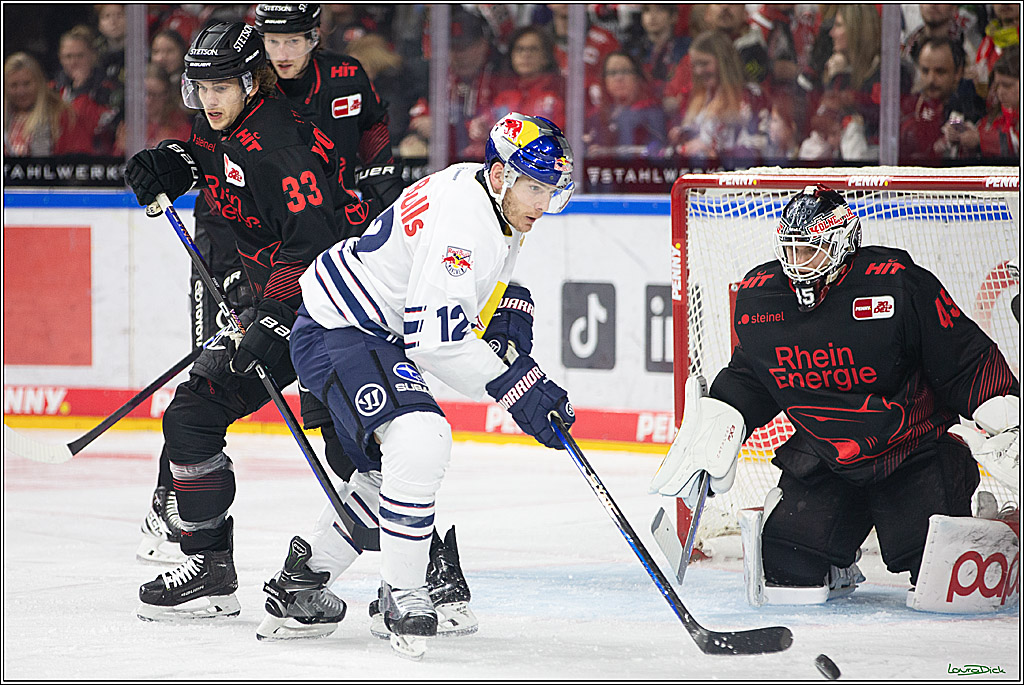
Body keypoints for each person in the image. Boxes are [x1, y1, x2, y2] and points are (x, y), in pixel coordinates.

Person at [271, 112, 576, 657]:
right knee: (420, 437)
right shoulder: (467, 222)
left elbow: (488, 275)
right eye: (533, 186)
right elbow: (433, 341)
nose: (541, 202)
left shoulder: (486, 193)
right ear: (503, 175)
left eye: (551, 189)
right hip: (340, 328)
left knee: (386, 472)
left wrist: (508, 307)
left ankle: (303, 581)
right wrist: (517, 384)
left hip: (362, 330)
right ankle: (404, 592)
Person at [650, 184, 1019, 606]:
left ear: (843, 244)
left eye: (810, 251)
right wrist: (721, 415)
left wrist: (1002, 409)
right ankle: (833, 554)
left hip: (909, 451)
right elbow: (754, 373)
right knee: (787, 575)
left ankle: (1003, 529)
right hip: (825, 456)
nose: (797, 263)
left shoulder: (898, 285)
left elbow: (962, 358)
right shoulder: (762, 297)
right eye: (790, 251)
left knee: (945, 581)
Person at [136, 3, 400, 566]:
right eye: (200, 87)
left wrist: (273, 318)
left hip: (330, 313)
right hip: (275, 301)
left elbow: (314, 247)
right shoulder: (224, 120)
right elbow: (208, 160)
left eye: (222, 86)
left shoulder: (279, 145)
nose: (209, 100)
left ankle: (424, 568)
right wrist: (172, 159)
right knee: (192, 412)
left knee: (352, 449)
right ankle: (206, 561)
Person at [667, 30, 768, 168]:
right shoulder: (698, 95)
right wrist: (683, 135)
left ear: (724, 62)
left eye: (704, 63)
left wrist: (713, 152)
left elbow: (760, 147)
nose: (698, 71)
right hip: (699, 177)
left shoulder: (752, 96)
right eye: (695, 65)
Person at [467, 25, 566, 158]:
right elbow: (484, 126)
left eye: (533, 49)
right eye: (519, 49)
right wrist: (478, 128)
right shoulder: (503, 96)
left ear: (547, 56)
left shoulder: (559, 92)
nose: (525, 55)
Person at [899, 37, 985, 163]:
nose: (931, 79)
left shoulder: (972, 108)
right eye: (925, 71)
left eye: (940, 72)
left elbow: (960, 127)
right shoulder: (908, 108)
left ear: (957, 73)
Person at [4, 52, 93, 156]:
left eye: (27, 84)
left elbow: (80, 158)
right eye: (14, 86)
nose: (21, 92)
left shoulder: (63, 115)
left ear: (39, 83)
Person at [584, 50, 667, 157]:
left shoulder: (652, 112)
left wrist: (608, 152)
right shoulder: (596, 116)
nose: (619, 78)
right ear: (604, 80)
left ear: (637, 77)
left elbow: (659, 150)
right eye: (612, 73)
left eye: (625, 71)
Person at [943, 46, 1020, 160]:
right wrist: (964, 132)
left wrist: (982, 140)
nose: (1000, 92)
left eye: (1007, 85)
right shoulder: (999, 113)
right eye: (997, 85)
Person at [54, 24, 121, 155]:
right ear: (60, 58)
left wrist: (81, 90)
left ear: (93, 55)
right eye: (68, 56)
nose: (74, 62)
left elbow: (94, 127)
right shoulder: (53, 89)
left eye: (80, 56)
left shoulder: (110, 89)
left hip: (98, 162)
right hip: (59, 162)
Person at [114, 63, 193, 155]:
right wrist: (124, 149)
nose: (147, 101)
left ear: (166, 95)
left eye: (154, 95)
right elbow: (116, 162)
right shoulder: (130, 126)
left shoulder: (181, 127)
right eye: (144, 94)